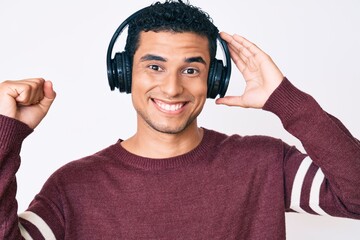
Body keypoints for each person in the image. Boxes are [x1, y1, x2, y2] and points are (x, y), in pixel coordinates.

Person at [0, 0, 359, 239]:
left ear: (214, 79)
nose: (171, 88)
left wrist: (287, 101)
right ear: (124, 74)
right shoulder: (72, 188)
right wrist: (5, 136)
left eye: (190, 69)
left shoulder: (265, 163)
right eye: (154, 66)